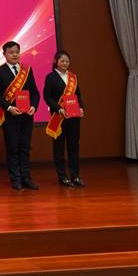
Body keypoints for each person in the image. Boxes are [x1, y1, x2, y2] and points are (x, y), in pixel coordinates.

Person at [0, 40, 42, 191]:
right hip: (10, 116)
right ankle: (16, 179)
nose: (15, 55)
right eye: (11, 52)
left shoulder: (27, 70)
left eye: (17, 52)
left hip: (26, 116)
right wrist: (9, 107)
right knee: (13, 148)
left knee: (25, 148)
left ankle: (26, 178)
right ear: (4, 54)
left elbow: (35, 92)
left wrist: (33, 106)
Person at [43, 50, 86, 188]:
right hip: (59, 117)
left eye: (67, 61)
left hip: (73, 117)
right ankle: (62, 177)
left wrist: (81, 108)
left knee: (74, 147)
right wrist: (58, 109)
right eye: (62, 61)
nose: (65, 63)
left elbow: (78, 94)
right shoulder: (50, 77)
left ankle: (75, 176)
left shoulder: (73, 77)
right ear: (56, 61)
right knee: (59, 149)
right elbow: (47, 97)